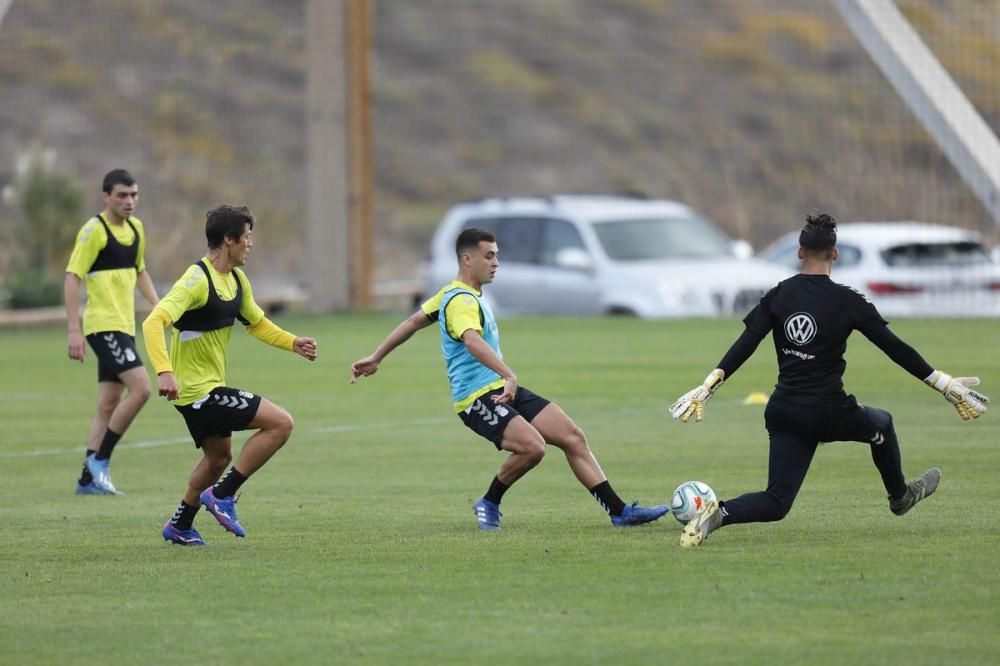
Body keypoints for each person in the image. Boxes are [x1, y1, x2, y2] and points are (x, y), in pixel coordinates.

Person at [668, 213, 990, 548]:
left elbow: (746, 342)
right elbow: (894, 348)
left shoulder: (779, 294)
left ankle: (718, 513)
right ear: (834, 254)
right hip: (827, 410)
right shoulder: (847, 300)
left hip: (784, 410)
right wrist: (941, 383)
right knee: (881, 424)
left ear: (799, 252)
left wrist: (709, 386)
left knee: (777, 501)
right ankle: (900, 497)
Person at [351, 227, 668, 531]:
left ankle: (619, 512)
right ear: (467, 259)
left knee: (572, 436)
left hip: (500, 388)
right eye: (489, 256)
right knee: (533, 447)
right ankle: (488, 502)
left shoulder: (454, 295)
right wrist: (508, 373)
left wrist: (377, 357)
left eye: (496, 255)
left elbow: (412, 321)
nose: (496, 263)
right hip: (477, 397)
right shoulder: (460, 300)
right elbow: (472, 342)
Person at [143, 204, 318, 546]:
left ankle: (180, 525)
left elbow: (257, 324)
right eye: (247, 237)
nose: (250, 243)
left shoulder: (237, 280)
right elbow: (153, 322)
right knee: (281, 423)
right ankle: (222, 495)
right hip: (197, 392)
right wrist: (164, 371)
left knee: (218, 457)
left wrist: (292, 342)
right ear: (228, 239)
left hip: (207, 389)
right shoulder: (196, 280)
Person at [65, 168, 159, 495]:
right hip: (102, 327)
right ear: (106, 196)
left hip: (124, 326)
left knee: (108, 403)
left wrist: (159, 307)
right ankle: (101, 460)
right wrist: (74, 330)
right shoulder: (94, 231)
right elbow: (72, 277)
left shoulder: (136, 229)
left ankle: (88, 481)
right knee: (143, 389)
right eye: (121, 195)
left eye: (133, 194)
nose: (129, 201)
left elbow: (141, 271)